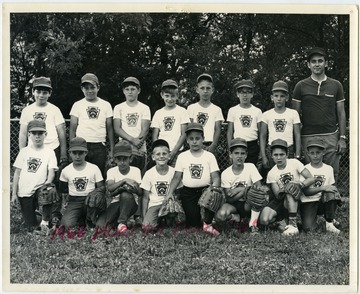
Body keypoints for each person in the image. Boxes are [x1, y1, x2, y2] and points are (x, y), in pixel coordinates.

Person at [292, 47, 347, 183]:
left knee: (331, 175)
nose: (317, 64)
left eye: (320, 61)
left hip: (330, 136)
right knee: (308, 176)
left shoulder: (336, 85)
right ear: (308, 65)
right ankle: (310, 204)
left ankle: (330, 202)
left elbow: (341, 112)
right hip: (307, 136)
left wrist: (342, 137)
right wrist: (296, 142)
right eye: (313, 61)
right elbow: (295, 117)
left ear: (326, 63)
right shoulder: (300, 86)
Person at [166, 122, 221, 235]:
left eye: (197, 138)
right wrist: (170, 192)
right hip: (188, 192)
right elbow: (177, 177)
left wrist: (214, 188)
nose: (194, 141)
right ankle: (197, 219)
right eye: (191, 138)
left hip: (205, 189)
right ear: (187, 140)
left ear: (203, 139)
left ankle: (208, 223)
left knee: (214, 195)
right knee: (193, 224)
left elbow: (216, 177)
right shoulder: (182, 156)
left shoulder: (209, 156)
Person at [12, 120, 60, 233]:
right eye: (34, 133)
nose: (37, 136)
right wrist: (14, 194)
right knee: (31, 225)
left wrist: (47, 184)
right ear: (29, 134)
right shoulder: (24, 151)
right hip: (25, 191)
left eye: (40, 133)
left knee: (48, 191)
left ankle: (45, 221)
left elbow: (51, 171)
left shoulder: (49, 152)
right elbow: (17, 173)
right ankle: (40, 215)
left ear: (45, 134)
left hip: (40, 188)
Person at [259, 139, 314, 235]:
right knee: (264, 220)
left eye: (282, 154)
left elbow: (311, 178)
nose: (279, 158)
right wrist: (286, 187)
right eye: (276, 155)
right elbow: (277, 195)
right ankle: (281, 221)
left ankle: (293, 224)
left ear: (287, 154)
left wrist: (299, 184)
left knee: (291, 190)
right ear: (271, 156)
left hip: (296, 197)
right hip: (281, 199)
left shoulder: (294, 163)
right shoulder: (272, 173)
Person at [69, 73, 115, 178]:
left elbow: (110, 129)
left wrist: (112, 150)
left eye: (92, 87)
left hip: (99, 145)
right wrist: (72, 148)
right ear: (82, 89)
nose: (90, 91)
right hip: (81, 144)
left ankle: (97, 194)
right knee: (81, 174)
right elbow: (72, 128)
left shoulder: (106, 105)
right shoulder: (77, 105)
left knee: (97, 176)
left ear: (98, 87)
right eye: (86, 88)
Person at [215, 138, 263, 234]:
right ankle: (235, 217)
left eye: (242, 153)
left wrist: (240, 189)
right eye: (236, 153)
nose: (239, 156)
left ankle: (253, 225)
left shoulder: (251, 167)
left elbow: (259, 188)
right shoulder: (226, 173)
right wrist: (246, 191)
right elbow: (229, 198)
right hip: (234, 204)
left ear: (246, 155)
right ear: (230, 155)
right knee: (220, 216)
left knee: (257, 196)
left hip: (248, 203)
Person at [18, 77, 67, 170]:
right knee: (36, 176)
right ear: (33, 92)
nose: (41, 95)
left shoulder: (55, 110)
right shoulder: (27, 110)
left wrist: (63, 153)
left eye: (45, 92)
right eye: (38, 92)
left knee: (52, 177)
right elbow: (23, 133)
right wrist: (22, 152)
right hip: (33, 149)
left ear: (50, 94)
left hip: (52, 148)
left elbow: (61, 132)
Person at [96, 141, 142, 233]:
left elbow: (140, 192)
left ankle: (122, 222)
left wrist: (134, 187)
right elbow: (110, 188)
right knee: (100, 225)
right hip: (116, 202)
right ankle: (121, 223)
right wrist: (124, 181)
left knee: (125, 194)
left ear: (130, 159)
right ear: (115, 159)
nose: (122, 162)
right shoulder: (112, 171)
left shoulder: (135, 170)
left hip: (131, 203)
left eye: (125, 159)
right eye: (119, 159)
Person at [59, 137, 105, 228]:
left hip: (90, 200)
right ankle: (79, 217)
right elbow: (63, 190)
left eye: (80, 153)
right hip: (74, 200)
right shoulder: (66, 170)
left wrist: (96, 194)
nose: (77, 156)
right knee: (67, 225)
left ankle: (90, 218)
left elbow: (101, 188)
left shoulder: (94, 168)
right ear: (70, 153)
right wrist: (65, 206)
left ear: (86, 153)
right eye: (74, 153)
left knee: (95, 201)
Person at [300, 138, 341, 233]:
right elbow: (305, 192)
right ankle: (314, 219)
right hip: (308, 202)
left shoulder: (329, 169)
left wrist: (332, 192)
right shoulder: (304, 169)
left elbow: (331, 188)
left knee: (331, 192)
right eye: (312, 153)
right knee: (308, 229)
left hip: (323, 200)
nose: (315, 156)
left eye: (318, 152)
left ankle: (329, 222)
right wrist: (323, 188)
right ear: (308, 153)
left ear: (323, 152)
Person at [260, 80, 301, 173]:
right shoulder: (266, 114)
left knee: (290, 174)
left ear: (287, 98)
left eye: (282, 96)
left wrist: (297, 154)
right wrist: (263, 156)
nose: (279, 99)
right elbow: (262, 136)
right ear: (272, 97)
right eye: (276, 96)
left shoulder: (293, 113)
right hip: (272, 149)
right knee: (273, 176)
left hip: (288, 149)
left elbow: (297, 134)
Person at [113, 76, 151, 174]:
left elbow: (145, 129)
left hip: (140, 147)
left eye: (133, 89)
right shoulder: (118, 107)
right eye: (127, 89)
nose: (130, 92)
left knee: (139, 176)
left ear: (139, 91)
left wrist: (138, 143)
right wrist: (132, 140)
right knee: (123, 174)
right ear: (123, 91)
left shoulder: (144, 108)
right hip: (124, 146)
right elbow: (117, 128)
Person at [141, 139, 180, 232]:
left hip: (168, 204)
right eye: (158, 154)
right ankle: (157, 219)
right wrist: (144, 217)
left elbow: (179, 192)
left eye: (164, 154)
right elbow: (145, 198)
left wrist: (174, 204)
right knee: (147, 228)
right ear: (153, 157)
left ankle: (169, 219)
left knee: (171, 227)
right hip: (154, 205)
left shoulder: (174, 172)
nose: (161, 156)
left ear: (169, 156)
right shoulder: (149, 173)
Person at [151, 79, 190, 167]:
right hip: (161, 153)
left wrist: (174, 152)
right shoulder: (158, 113)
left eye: (173, 96)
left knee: (175, 176)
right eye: (167, 96)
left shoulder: (182, 111)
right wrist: (158, 151)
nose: (170, 99)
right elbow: (155, 135)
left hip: (177, 152)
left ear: (177, 96)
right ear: (162, 95)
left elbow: (184, 134)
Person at [226, 79, 262, 165]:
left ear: (252, 94)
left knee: (251, 169)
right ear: (237, 94)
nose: (245, 95)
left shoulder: (257, 111)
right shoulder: (233, 110)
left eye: (248, 92)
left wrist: (261, 151)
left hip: (252, 145)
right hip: (237, 144)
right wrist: (229, 149)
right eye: (242, 92)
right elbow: (230, 132)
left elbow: (261, 133)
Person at [187, 73, 224, 154]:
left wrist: (213, 145)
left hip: (210, 144)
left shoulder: (217, 109)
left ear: (212, 90)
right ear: (197, 89)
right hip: (195, 142)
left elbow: (218, 129)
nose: (205, 91)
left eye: (208, 88)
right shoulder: (191, 108)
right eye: (202, 88)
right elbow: (189, 127)